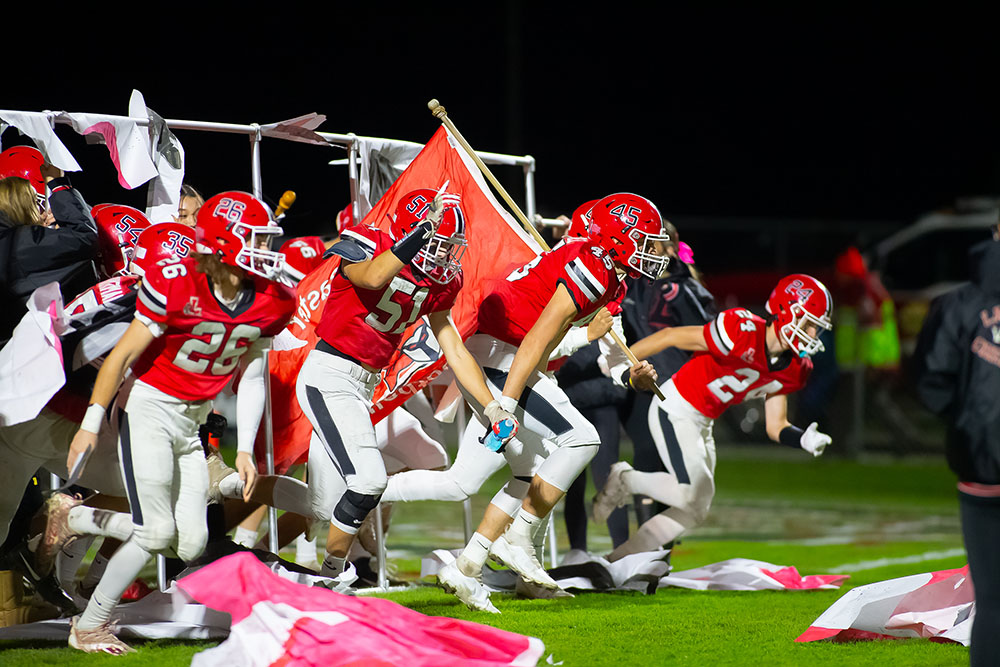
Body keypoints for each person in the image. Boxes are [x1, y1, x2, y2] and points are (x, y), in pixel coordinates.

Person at [39, 191, 294, 654]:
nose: (265, 252)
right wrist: (91, 423)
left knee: (191, 544)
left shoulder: (272, 301)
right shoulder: (178, 283)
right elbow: (122, 356)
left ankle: (77, 516)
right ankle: (89, 626)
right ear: (222, 244)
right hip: (150, 410)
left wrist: (242, 449)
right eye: (255, 240)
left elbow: (253, 375)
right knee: (155, 533)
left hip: (192, 423)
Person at [218, 187, 502, 590]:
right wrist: (417, 239)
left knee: (321, 504)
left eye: (449, 247)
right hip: (329, 374)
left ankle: (228, 488)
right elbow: (372, 276)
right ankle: (330, 578)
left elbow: (452, 346)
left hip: (365, 385)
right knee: (368, 480)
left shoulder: (441, 280)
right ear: (413, 231)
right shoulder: (366, 242)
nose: (444, 255)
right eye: (439, 243)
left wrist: (491, 407)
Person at [436, 192, 662, 612]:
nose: (653, 252)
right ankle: (517, 537)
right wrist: (504, 403)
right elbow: (537, 339)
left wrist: (634, 376)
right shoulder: (590, 265)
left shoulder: (609, 274)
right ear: (617, 237)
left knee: (534, 470)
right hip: (502, 353)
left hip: (516, 357)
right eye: (644, 241)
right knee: (580, 440)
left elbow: (557, 345)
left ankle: (468, 566)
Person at [593, 274, 833, 561]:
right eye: (808, 323)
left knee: (695, 509)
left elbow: (775, 425)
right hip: (677, 405)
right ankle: (626, 479)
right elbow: (670, 336)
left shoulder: (796, 368)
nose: (812, 334)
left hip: (702, 421)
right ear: (784, 310)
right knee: (687, 493)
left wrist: (803, 438)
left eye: (816, 328)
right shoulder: (740, 329)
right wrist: (621, 360)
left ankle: (622, 559)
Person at [913, 222, 1000, 667]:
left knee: (992, 602)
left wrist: (969, 424)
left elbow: (931, 378)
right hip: (980, 468)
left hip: (981, 468)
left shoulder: (958, 304)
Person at [0, 147, 100, 342]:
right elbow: (85, 237)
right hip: (20, 349)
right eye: (36, 204)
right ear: (22, 204)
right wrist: (58, 184)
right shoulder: (24, 241)